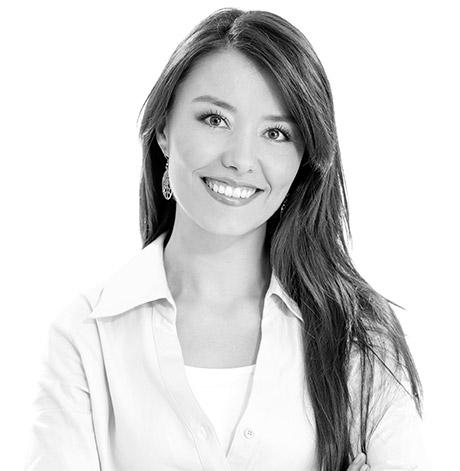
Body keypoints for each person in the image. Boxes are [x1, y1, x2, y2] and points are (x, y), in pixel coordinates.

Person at [24, 7, 431, 471]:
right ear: (163, 130)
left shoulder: (358, 333)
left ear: (304, 159)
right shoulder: (86, 335)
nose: (241, 159)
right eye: (215, 119)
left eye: (276, 133)